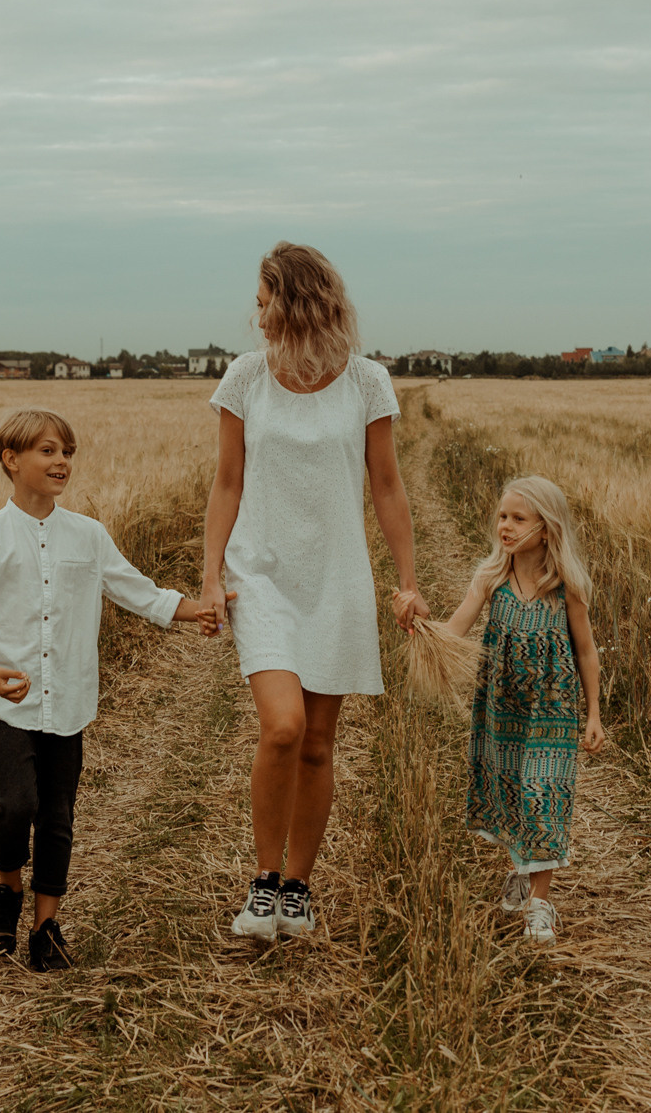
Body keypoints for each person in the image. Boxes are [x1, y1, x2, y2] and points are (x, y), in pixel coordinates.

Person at [202, 242, 429, 941]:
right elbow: (228, 482)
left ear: (295, 298)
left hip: (337, 576)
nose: (256, 309)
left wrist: (409, 581)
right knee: (284, 726)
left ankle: (299, 886)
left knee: (319, 742)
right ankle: (263, 882)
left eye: (265, 295)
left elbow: (387, 486)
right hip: (260, 572)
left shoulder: (367, 382)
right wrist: (210, 576)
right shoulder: (244, 378)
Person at [0, 408, 217, 970]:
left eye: (67, 452)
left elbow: (134, 590)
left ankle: (46, 927)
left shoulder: (88, 535)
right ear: (12, 460)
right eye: (48, 451)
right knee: (13, 805)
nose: (61, 462)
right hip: (5, 701)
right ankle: (7, 889)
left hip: (68, 698)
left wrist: (196, 611)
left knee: (58, 814)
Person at [424, 475, 604, 945]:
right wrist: (422, 630)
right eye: (502, 516)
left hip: (551, 709)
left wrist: (593, 714)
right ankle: (521, 868)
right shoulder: (491, 578)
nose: (505, 526)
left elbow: (586, 652)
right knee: (508, 790)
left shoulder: (567, 586)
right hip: (501, 708)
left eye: (518, 518)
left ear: (546, 529)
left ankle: (540, 904)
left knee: (543, 792)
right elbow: (456, 630)